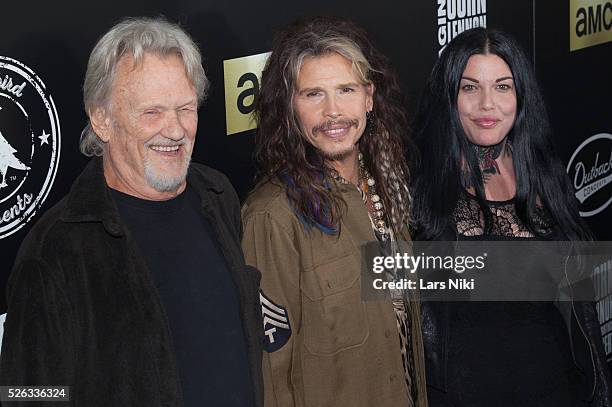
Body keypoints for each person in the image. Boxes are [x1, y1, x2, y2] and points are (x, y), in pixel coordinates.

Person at [0, 17, 263, 407]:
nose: (174, 130)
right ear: (102, 119)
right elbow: (27, 394)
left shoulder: (218, 194)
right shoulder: (55, 252)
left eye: (185, 109)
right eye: (152, 112)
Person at [412, 27, 612, 406]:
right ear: (448, 96)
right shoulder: (417, 187)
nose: (488, 104)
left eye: (503, 87)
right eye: (469, 88)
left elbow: (578, 307)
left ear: (521, 95)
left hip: (557, 388)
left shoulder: (543, 171)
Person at [241, 16, 427, 407]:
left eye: (346, 90)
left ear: (369, 97)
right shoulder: (272, 216)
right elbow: (271, 374)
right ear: (290, 107)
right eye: (313, 94)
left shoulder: (388, 181)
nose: (334, 112)